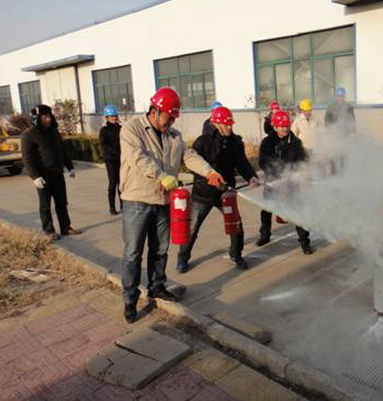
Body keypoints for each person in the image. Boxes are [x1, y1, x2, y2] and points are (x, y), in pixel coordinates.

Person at [120, 87, 225, 323]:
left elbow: (188, 156)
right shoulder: (131, 129)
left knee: (160, 249)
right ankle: (130, 299)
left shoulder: (174, 135)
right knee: (133, 253)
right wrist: (161, 176)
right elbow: (137, 158)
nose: (171, 122)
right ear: (155, 111)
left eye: (174, 118)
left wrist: (209, 171)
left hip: (163, 201)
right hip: (137, 200)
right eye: (169, 117)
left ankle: (157, 286)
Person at [177, 106, 260, 273]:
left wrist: (251, 176)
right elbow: (195, 166)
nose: (229, 127)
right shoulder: (202, 142)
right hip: (204, 193)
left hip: (225, 193)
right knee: (192, 228)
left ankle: (236, 255)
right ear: (216, 124)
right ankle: (182, 258)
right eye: (226, 124)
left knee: (235, 225)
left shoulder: (235, 142)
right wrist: (209, 179)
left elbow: (242, 163)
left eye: (231, 124)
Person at [256, 110, 313, 254]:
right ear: (275, 127)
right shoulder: (267, 143)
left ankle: (305, 242)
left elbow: (303, 160)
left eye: (287, 125)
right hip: (273, 181)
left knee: (298, 211)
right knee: (267, 209)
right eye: (281, 126)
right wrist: (275, 170)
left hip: (291, 182)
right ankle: (265, 235)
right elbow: (262, 161)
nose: (285, 129)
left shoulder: (295, 142)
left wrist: (302, 172)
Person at [21, 104, 81, 241]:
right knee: (45, 205)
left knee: (62, 203)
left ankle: (66, 227)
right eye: (44, 117)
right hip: (43, 176)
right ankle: (49, 231)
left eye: (49, 116)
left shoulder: (53, 132)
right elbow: (27, 158)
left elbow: (62, 150)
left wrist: (70, 167)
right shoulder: (28, 135)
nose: (48, 119)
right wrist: (35, 176)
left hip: (57, 173)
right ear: (37, 118)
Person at [99, 105, 122, 215]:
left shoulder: (121, 129)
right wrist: (114, 151)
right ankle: (112, 207)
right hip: (111, 160)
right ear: (107, 118)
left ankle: (123, 204)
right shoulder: (104, 130)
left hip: (121, 159)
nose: (114, 118)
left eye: (115, 116)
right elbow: (103, 145)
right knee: (113, 183)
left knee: (122, 183)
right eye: (111, 116)